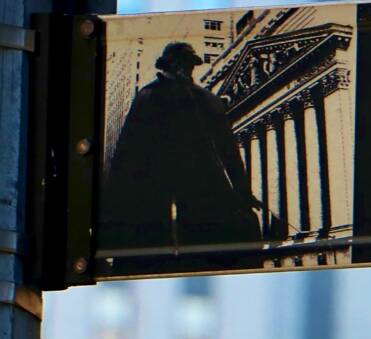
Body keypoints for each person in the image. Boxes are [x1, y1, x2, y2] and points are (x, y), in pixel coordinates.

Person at [100, 42, 264, 253]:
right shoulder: (151, 96)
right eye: (182, 64)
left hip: (193, 188)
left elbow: (228, 151)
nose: (185, 69)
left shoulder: (203, 99)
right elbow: (127, 151)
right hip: (162, 190)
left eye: (188, 65)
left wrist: (244, 193)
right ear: (169, 65)